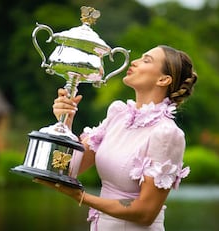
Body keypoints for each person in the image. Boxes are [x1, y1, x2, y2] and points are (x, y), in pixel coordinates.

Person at [34, 45, 198, 230]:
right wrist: (65, 122)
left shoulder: (167, 134)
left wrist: (81, 197)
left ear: (163, 79)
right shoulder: (118, 114)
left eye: (146, 60)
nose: (134, 62)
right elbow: (71, 168)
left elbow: (145, 213)